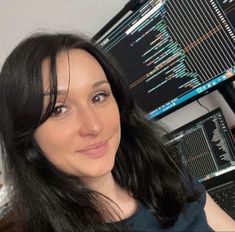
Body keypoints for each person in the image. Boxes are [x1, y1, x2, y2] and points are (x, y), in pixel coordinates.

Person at [0, 33, 234, 232]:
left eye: (98, 96)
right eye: (58, 109)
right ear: (25, 133)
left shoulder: (160, 169)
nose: (94, 126)